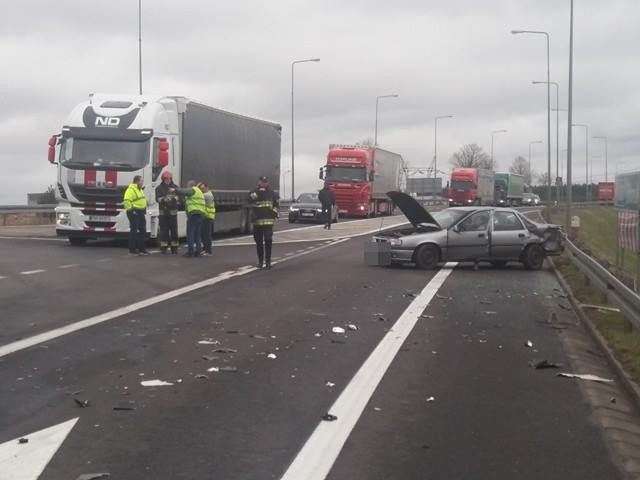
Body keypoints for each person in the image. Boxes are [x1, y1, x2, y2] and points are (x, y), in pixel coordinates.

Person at [248, 176, 279, 269]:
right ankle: (260, 262)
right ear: (259, 182)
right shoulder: (254, 192)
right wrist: (258, 191)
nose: (264, 184)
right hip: (257, 222)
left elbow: (276, 205)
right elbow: (249, 199)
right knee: (259, 243)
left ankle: (268, 262)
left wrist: (274, 213)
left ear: (267, 183)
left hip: (268, 223)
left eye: (265, 182)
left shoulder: (272, 193)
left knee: (268, 241)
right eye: (262, 182)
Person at [176, 180, 206, 257]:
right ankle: (198, 251)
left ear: (190, 186)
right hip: (200, 214)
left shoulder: (193, 190)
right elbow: (186, 202)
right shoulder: (199, 192)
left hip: (194, 214)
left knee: (190, 233)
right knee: (197, 234)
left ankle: (190, 251)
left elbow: (184, 192)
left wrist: (175, 190)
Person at [123, 175, 149, 256]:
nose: (142, 182)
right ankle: (132, 250)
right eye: (141, 181)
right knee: (133, 232)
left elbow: (141, 200)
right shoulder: (131, 189)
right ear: (137, 181)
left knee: (142, 230)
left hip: (141, 212)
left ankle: (142, 249)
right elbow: (127, 201)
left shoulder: (139, 189)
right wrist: (131, 210)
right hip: (134, 212)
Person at [155, 171, 180, 254]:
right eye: (166, 179)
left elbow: (179, 198)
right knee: (163, 231)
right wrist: (165, 199)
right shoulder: (159, 188)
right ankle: (163, 247)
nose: (168, 180)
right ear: (163, 179)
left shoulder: (175, 187)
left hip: (173, 214)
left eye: (169, 178)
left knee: (174, 231)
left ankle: (174, 248)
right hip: (163, 214)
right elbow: (157, 199)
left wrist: (173, 198)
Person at [199, 182, 216, 256]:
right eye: (201, 189)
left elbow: (199, 197)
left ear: (207, 188)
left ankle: (208, 251)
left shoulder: (207, 195)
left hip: (208, 217)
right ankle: (205, 249)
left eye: (203, 188)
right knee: (203, 234)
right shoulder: (207, 194)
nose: (202, 190)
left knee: (206, 235)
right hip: (205, 216)